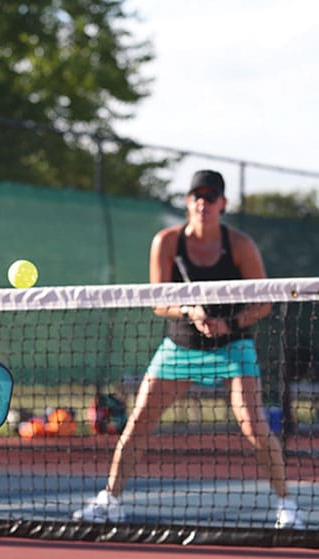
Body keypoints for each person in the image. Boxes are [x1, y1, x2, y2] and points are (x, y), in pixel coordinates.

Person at [72, 169, 304, 530]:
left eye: (210, 197)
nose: (202, 203)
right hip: (179, 346)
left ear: (222, 204)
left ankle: (287, 506)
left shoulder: (240, 246)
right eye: (196, 196)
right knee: (137, 424)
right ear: (187, 202)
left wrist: (232, 324)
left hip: (233, 347)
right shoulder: (166, 242)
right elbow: (158, 301)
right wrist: (189, 310)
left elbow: (265, 303)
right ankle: (110, 500)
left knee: (255, 425)